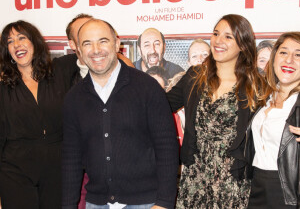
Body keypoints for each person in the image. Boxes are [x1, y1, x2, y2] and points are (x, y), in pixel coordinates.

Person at [62, 19, 179, 209]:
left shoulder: (147, 87)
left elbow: (167, 146)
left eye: (103, 41)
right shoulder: (73, 99)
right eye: (87, 43)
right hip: (97, 203)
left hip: (147, 203)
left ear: (117, 44)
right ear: (79, 50)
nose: (96, 49)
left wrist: (165, 202)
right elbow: (71, 160)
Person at [167, 14, 266, 208]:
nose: (218, 41)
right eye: (215, 33)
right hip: (195, 178)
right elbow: (161, 106)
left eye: (228, 37)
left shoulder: (256, 86)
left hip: (233, 182)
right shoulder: (195, 76)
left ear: (243, 45)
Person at [0, 20, 75, 209]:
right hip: (14, 170)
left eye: (22, 38)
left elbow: (97, 57)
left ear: (34, 42)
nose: (16, 44)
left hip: (57, 166)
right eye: (10, 41)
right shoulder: (3, 84)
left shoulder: (59, 70)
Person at [245, 32, 300, 208]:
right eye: (283, 52)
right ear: (274, 58)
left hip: (289, 193)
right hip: (256, 186)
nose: (289, 60)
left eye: (298, 54)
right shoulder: (263, 98)